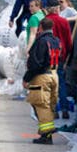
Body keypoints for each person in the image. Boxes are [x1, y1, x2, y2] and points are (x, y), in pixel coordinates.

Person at [24, 16, 64, 144]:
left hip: (42, 77)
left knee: (41, 105)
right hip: (54, 75)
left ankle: (46, 136)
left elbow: (36, 63)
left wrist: (27, 78)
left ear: (40, 27)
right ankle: (45, 134)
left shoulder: (41, 42)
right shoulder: (56, 41)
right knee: (49, 106)